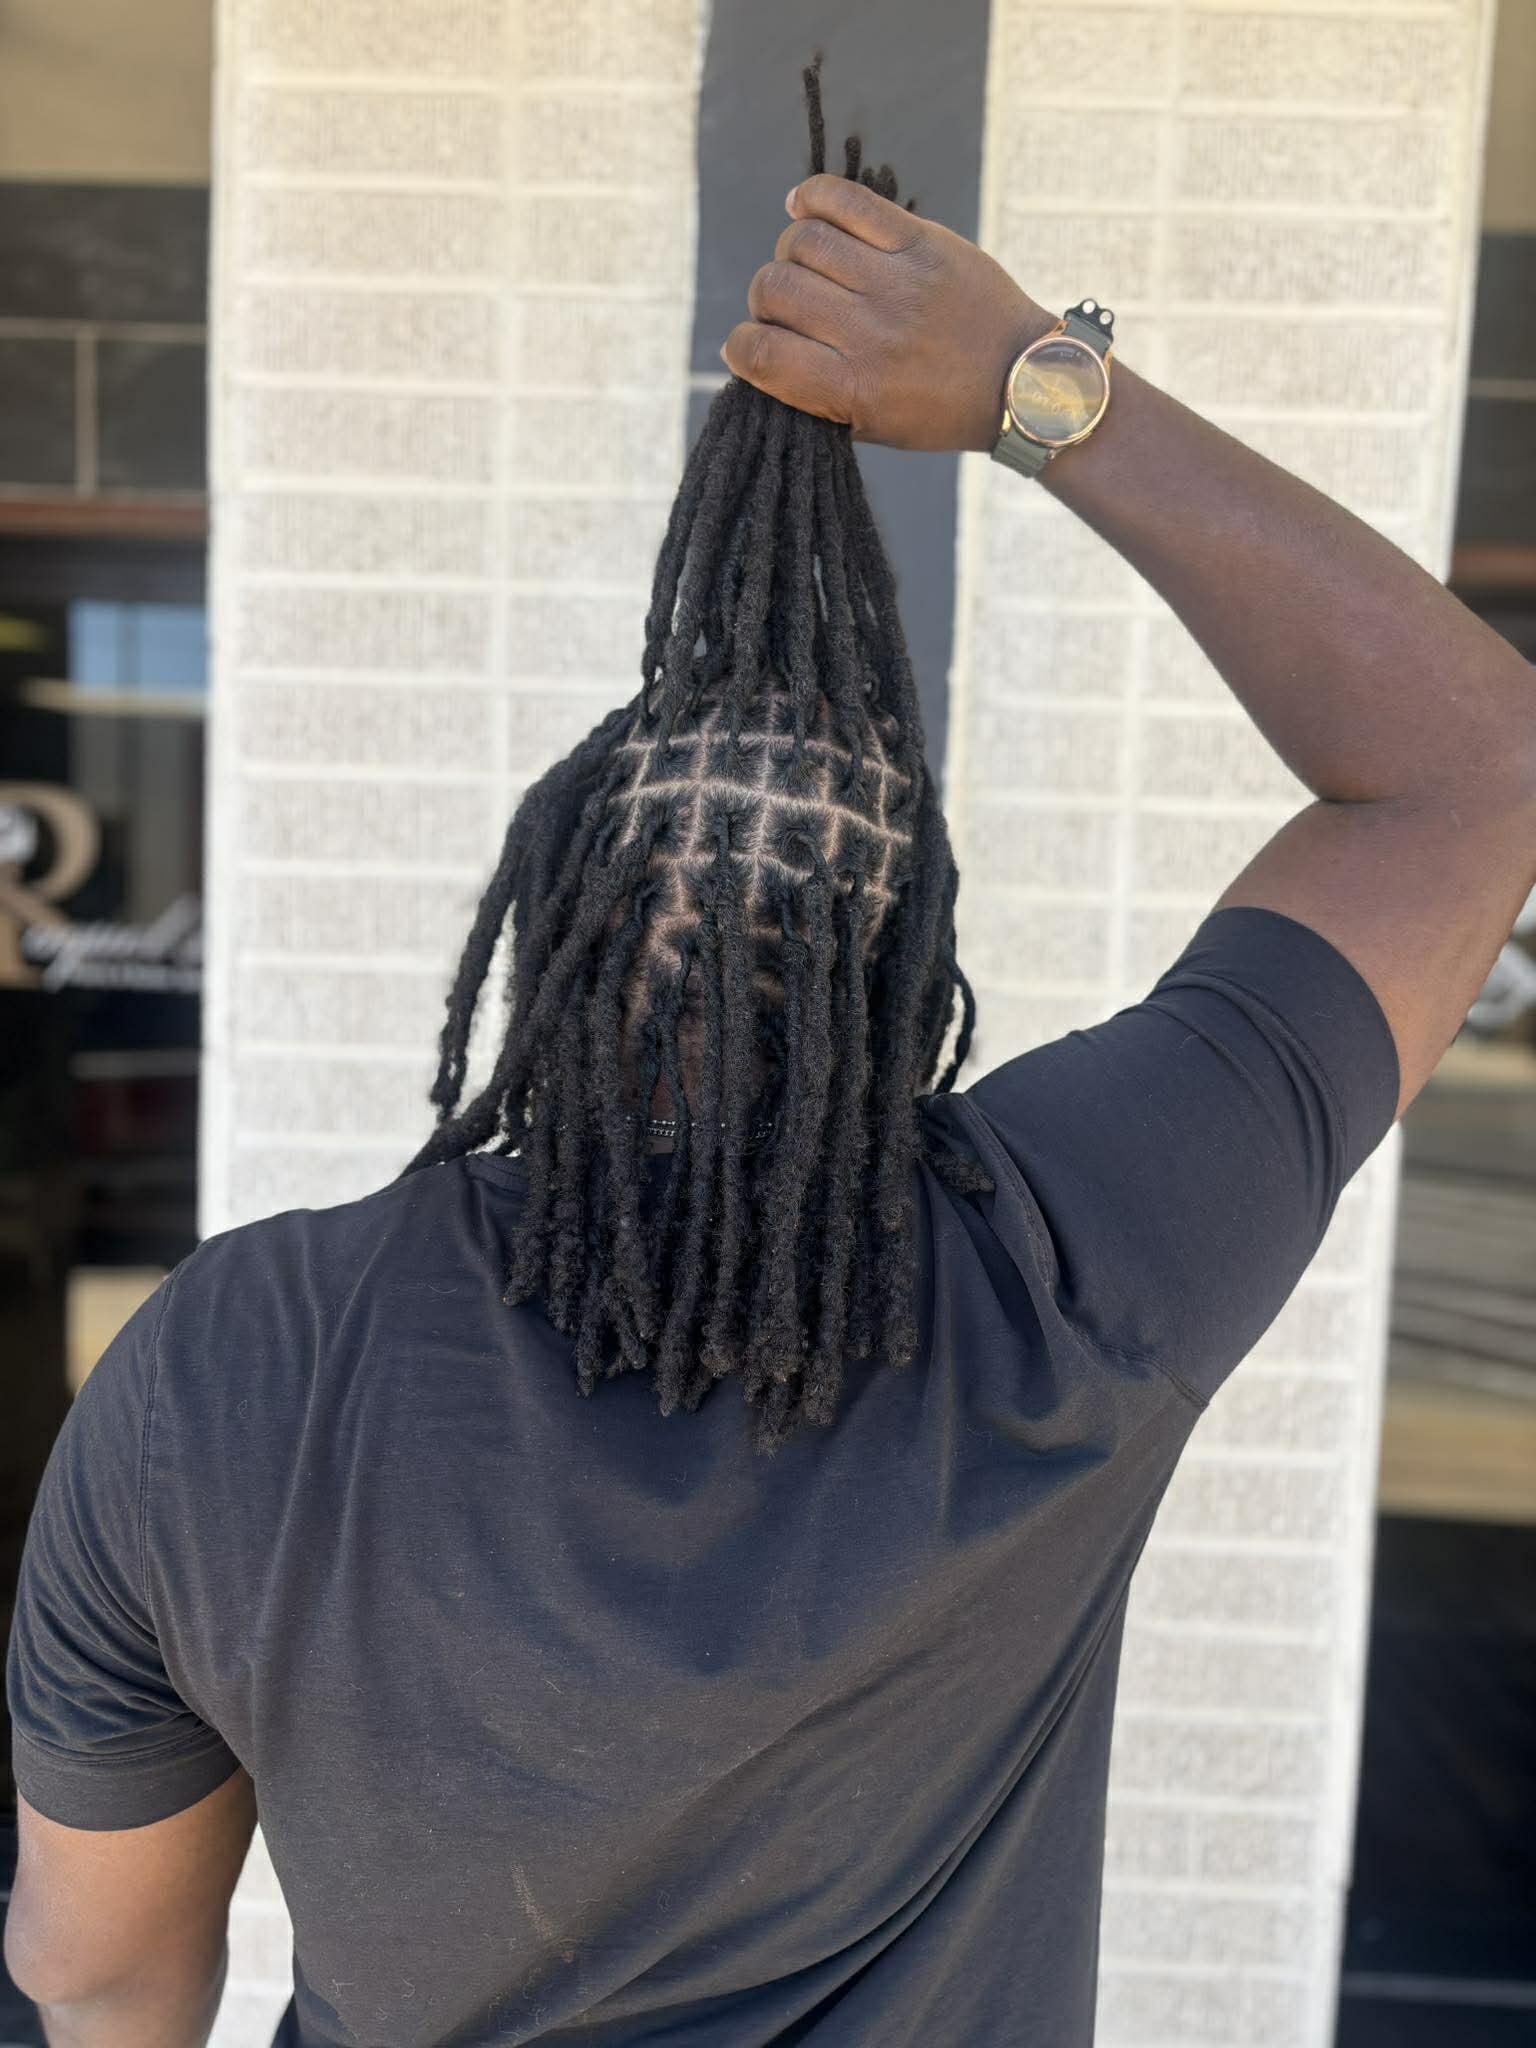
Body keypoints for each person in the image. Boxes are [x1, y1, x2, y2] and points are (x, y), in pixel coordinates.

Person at [6, 101, 1535, 2048]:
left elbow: (103, 1966)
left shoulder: (231, 1362)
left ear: (551, 927)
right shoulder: (1072, 1260)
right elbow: (1476, 766)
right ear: (901, 978)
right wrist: (1039, 392)